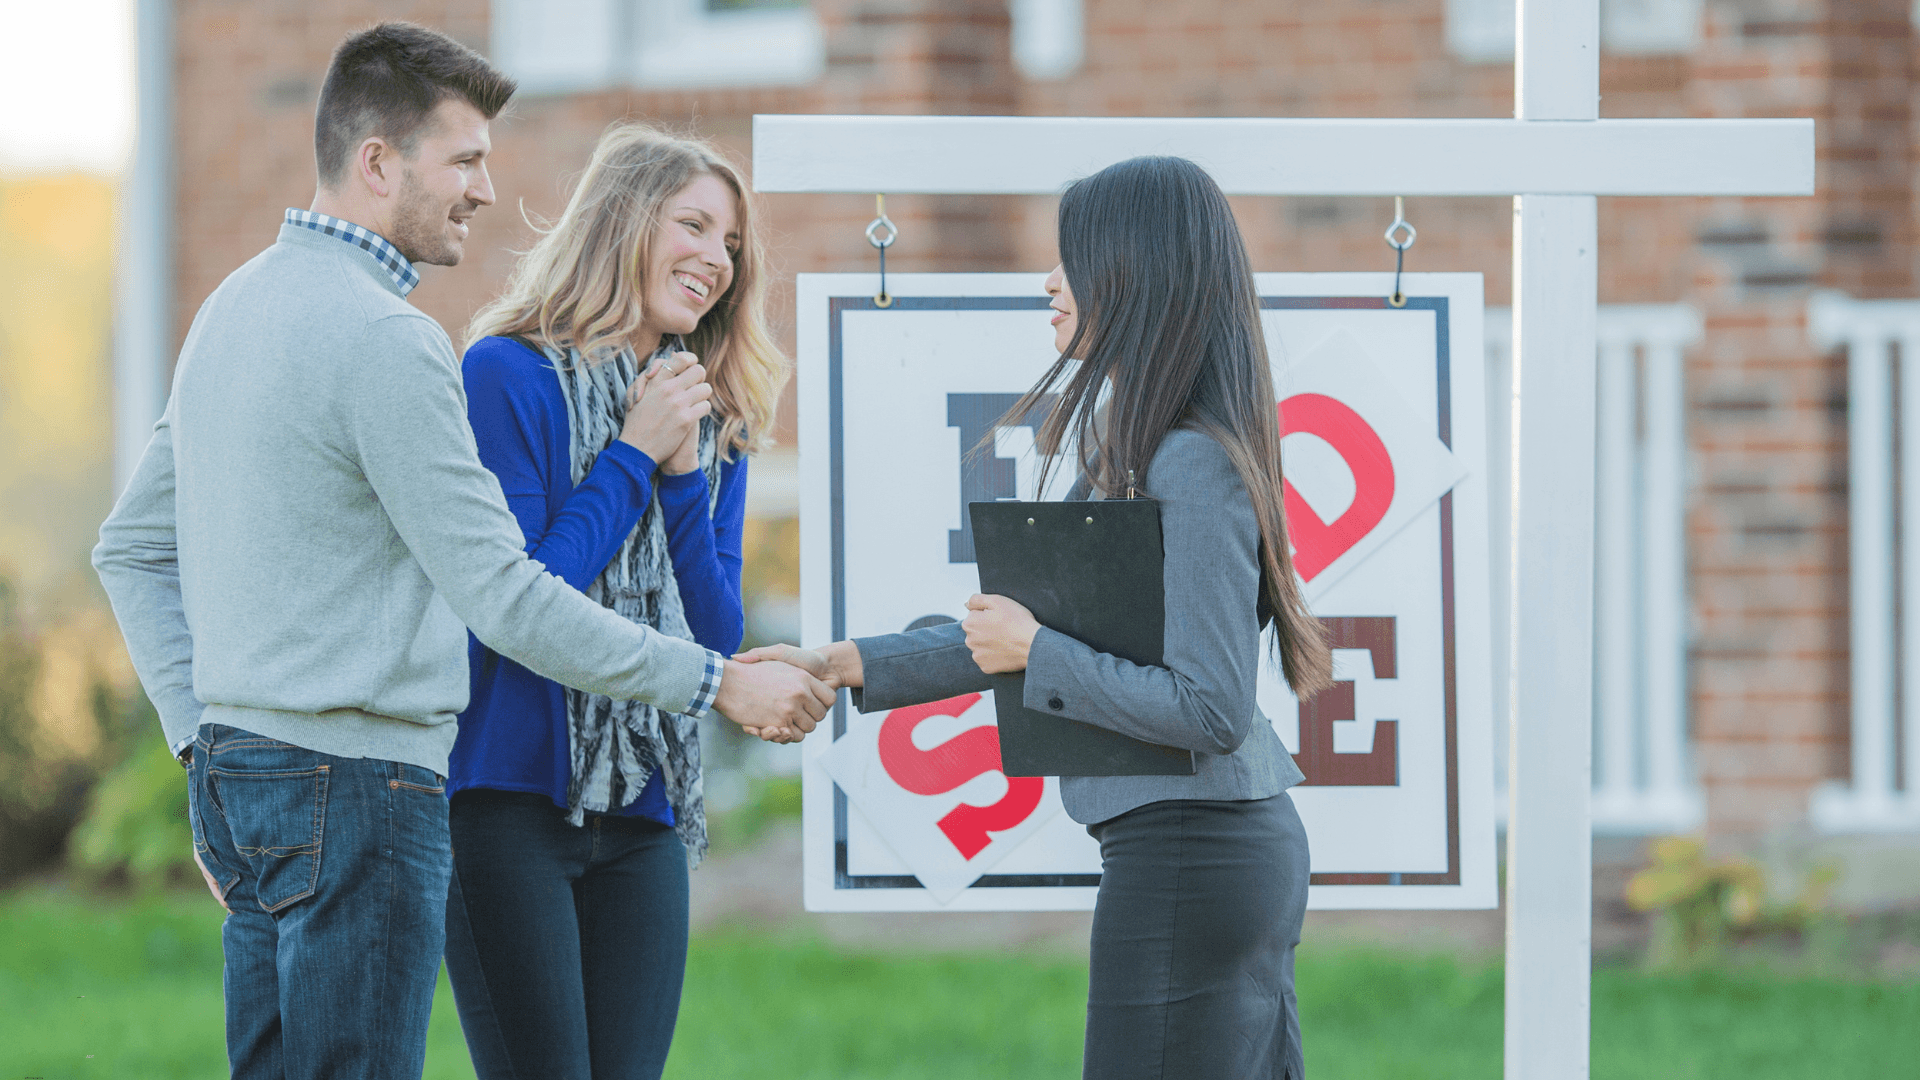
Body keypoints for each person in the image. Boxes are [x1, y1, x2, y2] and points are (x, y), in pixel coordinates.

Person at [91, 24, 829, 1080]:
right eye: (467, 160)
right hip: (367, 788)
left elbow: (128, 551)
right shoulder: (403, 346)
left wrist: (201, 746)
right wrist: (713, 680)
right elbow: (506, 596)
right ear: (379, 161)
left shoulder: (230, 307)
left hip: (256, 774)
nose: (488, 190)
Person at [742, 155, 1335, 1080]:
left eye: (1074, 260)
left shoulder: (1190, 462)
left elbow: (1211, 708)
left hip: (1195, 854)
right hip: (1192, 852)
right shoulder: (1150, 449)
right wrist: (840, 661)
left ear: (1135, 275)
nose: (1049, 282)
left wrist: (1040, 649)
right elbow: (1016, 635)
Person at [439, 123, 787, 1080]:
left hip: (643, 811)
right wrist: (632, 456)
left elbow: (713, 636)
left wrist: (681, 475)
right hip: (506, 803)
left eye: (731, 245)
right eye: (695, 226)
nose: (717, 260)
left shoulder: (708, 413)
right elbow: (521, 603)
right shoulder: (504, 376)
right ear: (626, 221)